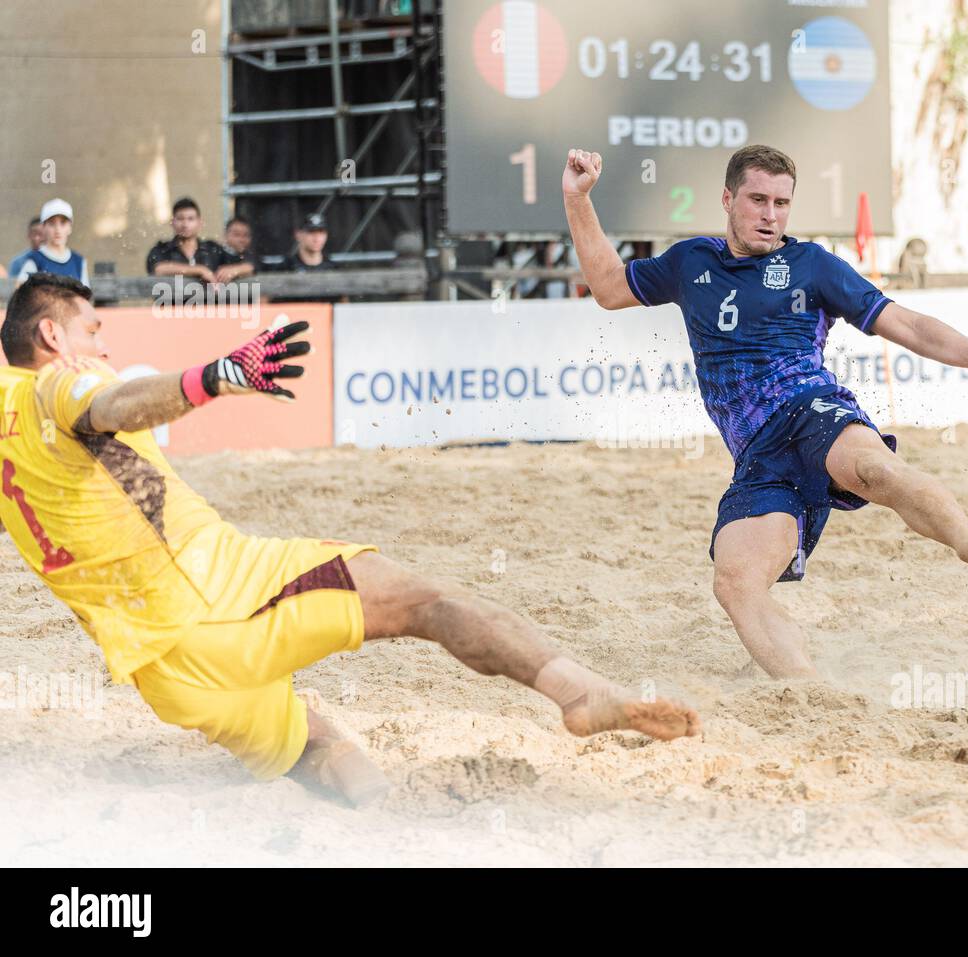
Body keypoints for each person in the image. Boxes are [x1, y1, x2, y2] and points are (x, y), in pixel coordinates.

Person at [0, 274, 698, 806]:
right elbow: (113, 404)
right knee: (429, 602)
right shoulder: (58, 383)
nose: (104, 344)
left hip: (166, 675)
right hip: (215, 595)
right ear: (54, 339)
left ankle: (380, 827)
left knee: (321, 747)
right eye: (93, 330)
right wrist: (212, 376)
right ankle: (580, 694)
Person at [562, 145, 968, 679]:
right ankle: (808, 690)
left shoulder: (811, 265)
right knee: (735, 583)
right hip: (756, 455)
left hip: (810, 408)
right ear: (728, 199)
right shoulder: (690, 261)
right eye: (758, 200)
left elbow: (905, 325)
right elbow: (607, 288)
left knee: (874, 469)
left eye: (782, 203)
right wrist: (577, 197)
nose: (770, 214)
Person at [146, 198, 252, 284]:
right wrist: (200, 270)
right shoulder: (162, 249)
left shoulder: (212, 249)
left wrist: (234, 271)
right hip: (172, 309)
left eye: (190, 219)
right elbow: (159, 269)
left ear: (200, 223)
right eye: (180, 219)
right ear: (172, 222)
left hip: (208, 309)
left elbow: (249, 265)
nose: (185, 224)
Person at [12, 199, 90, 286]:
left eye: (63, 223)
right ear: (44, 227)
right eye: (52, 223)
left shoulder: (78, 261)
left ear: (70, 227)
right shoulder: (34, 260)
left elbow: (85, 296)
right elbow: (22, 293)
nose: (58, 230)